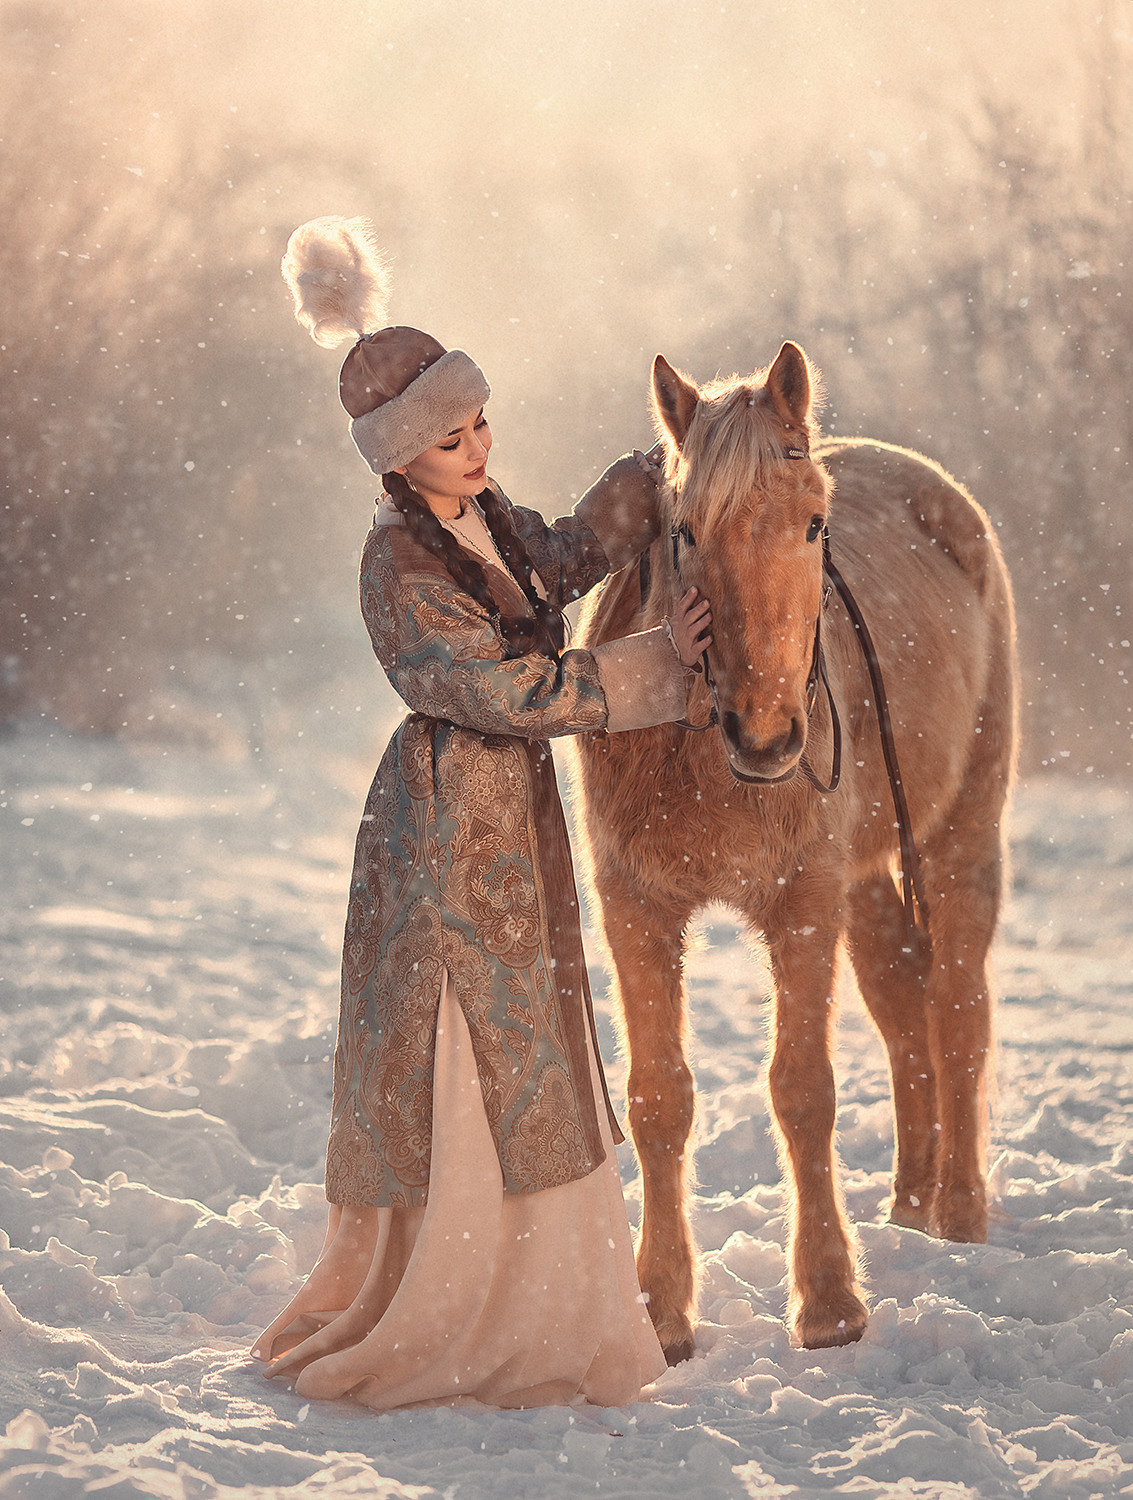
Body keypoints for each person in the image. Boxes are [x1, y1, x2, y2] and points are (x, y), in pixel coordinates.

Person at [252, 217, 712, 1409]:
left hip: (513, 810)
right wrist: (653, 667)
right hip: (446, 820)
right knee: (475, 1041)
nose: (474, 449)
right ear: (395, 459)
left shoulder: (481, 518)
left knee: (529, 1037)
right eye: (448, 440)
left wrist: (651, 481)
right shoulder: (397, 566)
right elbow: (499, 688)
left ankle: (540, 1292)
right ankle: (462, 1300)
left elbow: (552, 565)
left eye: (478, 426)